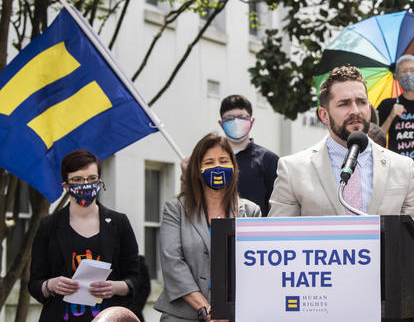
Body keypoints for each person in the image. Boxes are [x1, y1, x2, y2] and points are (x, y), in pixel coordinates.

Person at [269, 65, 414, 244]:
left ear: (369, 109)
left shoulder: (402, 167)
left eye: (361, 102)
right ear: (324, 115)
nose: (355, 110)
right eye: (344, 103)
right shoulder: (293, 170)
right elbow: (280, 242)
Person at [155, 133, 261, 322]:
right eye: (209, 162)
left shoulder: (251, 211)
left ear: (234, 167)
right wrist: (207, 309)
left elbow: (254, 268)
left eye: (223, 160)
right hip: (182, 315)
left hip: (235, 316)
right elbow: (172, 262)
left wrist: (227, 312)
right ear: (197, 169)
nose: (217, 167)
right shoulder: (176, 209)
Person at [28, 150, 140, 322]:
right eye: (77, 180)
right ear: (66, 185)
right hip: (60, 316)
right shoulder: (49, 226)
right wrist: (51, 285)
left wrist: (115, 287)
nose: (85, 184)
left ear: (99, 182)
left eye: (91, 178)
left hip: (108, 316)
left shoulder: (119, 223)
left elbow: (136, 279)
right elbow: (35, 283)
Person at [218, 94, 278, 216]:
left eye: (241, 117)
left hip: (256, 231)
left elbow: (277, 206)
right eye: (229, 118)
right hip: (217, 230)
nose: (235, 122)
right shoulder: (212, 160)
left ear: (252, 121)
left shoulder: (269, 160)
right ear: (221, 123)